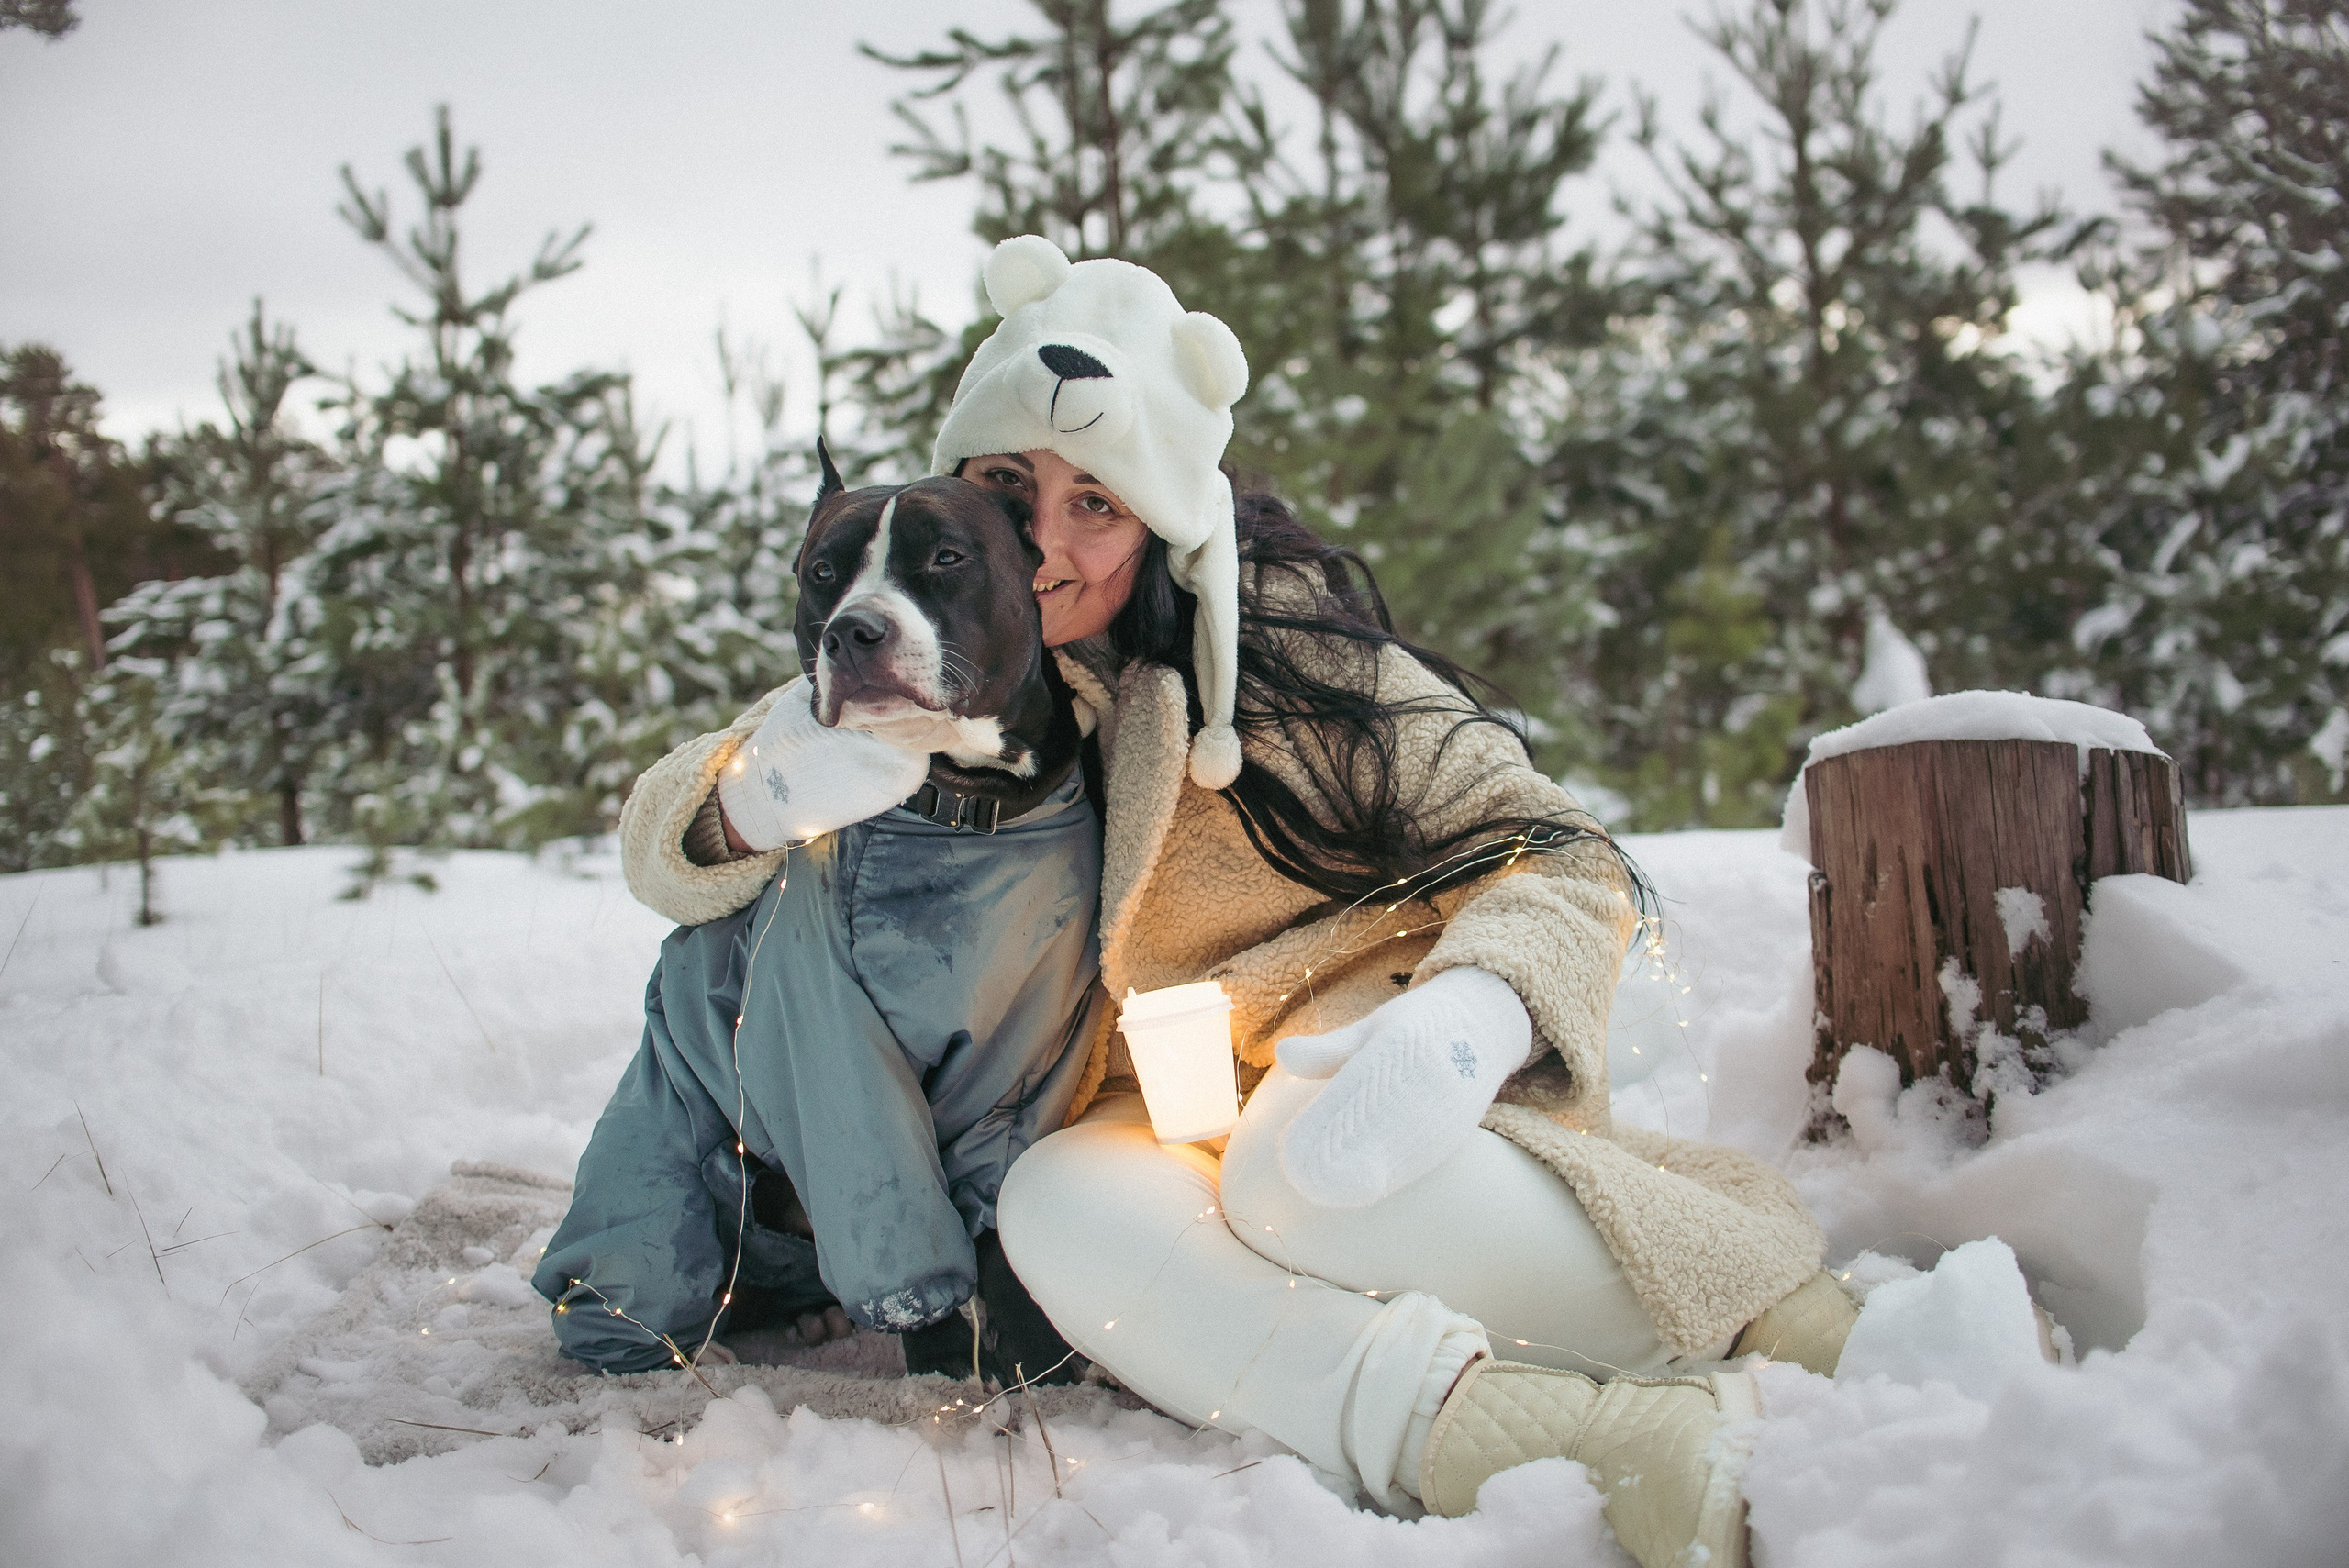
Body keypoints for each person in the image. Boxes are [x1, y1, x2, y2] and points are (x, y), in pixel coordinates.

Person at [617, 235, 1854, 1567]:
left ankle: (1800, 1327)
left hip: (1390, 1097)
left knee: (1297, 1161)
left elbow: (1565, 850)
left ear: (1159, 514)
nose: (1047, 539)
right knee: (1052, 1202)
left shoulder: (1283, 654)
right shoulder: (942, 656)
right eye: (1008, 488)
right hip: (1183, 1136)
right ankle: (1555, 1437)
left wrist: (1463, 1024)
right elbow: (668, 842)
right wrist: (753, 798)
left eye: (1096, 499)